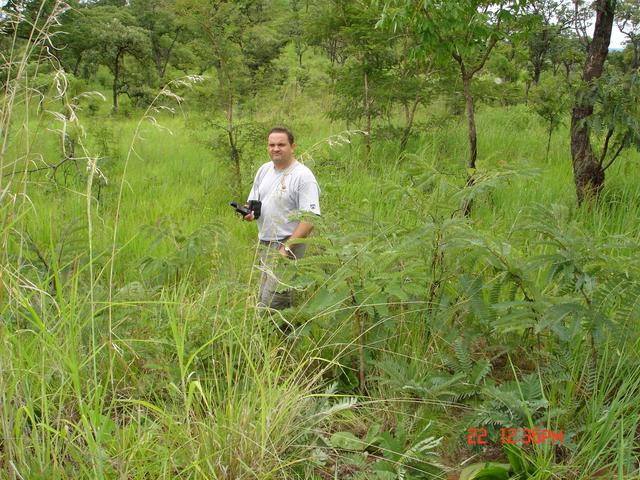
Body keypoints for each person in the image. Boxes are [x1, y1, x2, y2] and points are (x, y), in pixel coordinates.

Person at [243, 127, 320, 310]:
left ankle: (279, 335)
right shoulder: (264, 170)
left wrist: (286, 248)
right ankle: (286, 334)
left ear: (292, 147)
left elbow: (310, 219)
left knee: (273, 301)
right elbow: (253, 202)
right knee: (263, 294)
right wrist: (248, 212)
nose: (275, 148)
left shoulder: (303, 176)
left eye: (281, 144)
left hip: (288, 243)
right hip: (264, 242)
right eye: (271, 145)